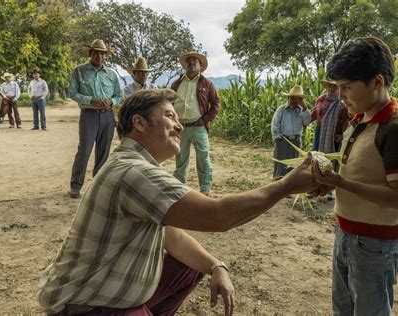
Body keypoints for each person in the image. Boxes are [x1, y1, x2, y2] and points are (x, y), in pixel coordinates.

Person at [37, 89, 319, 316]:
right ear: (139, 122)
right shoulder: (134, 172)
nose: (179, 125)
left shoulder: (132, 164)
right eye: (170, 116)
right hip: (89, 307)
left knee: (189, 266)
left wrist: (215, 266)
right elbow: (217, 216)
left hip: (104, 296)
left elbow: (171, 236)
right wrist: (286, 186)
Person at [311, 37, 398, 315]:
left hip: (376, 246)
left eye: (347, 87)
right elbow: (362, 174)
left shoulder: (396, 130)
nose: (341, 95)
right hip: (347, 234)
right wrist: (331, 185)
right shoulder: (359, 119)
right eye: (338, 88)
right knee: (344, 309)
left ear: (377, 82)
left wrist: (340, 183)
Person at [68, 39, 123, 198]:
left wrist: (111, 101)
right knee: (84, 150)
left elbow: (119, 95)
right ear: (90, 54)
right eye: (96, 53)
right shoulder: (79, 71)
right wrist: (90, 100)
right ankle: (75, 186)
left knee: (103, 152)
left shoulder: (111, 74)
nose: (99, 56)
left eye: (102, 53)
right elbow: (73, 93)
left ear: (106, 56)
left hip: (107, 115)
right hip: (88, 115)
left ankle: (97, 187)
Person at [171, 51, 220, 196]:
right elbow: (168, 102)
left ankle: (205, 189)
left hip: (199, 126)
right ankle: (179, 187)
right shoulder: (177, 83)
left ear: (200, 66)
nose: (191, 63)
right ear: (185, 65)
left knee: (203, 157)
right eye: (189, 61)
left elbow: (216, 104)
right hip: (181, 127)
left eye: (195, 61)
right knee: (180, 158)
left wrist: (204, 120)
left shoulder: (207, 84)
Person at [310, 80, 348, 200]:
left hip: (334, 136)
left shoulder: (343, 103)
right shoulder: (321, 99)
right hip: (320, 133)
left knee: (332, 161)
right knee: (315, 158)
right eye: (330, 85)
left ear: (338, 88)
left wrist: (342, 135)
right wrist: (304, 121)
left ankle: (330, 190)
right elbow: (314, 114)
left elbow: (346, 120)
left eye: (334, 86)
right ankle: (313, 186)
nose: (331, 88)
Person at [271, 85, 311, 180]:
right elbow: (275, 123)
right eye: (292, 98)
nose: (294, 100)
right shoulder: (281, 110)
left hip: (296, 140)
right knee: (281, 162)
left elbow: (307, 122)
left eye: (297, 99)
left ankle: (289, 186)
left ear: (301, 100)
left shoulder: (302, 111)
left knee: (294, 162)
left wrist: (305, 108)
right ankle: (278, 183)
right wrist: (277, 137)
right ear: (288, 98)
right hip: (283, 139)